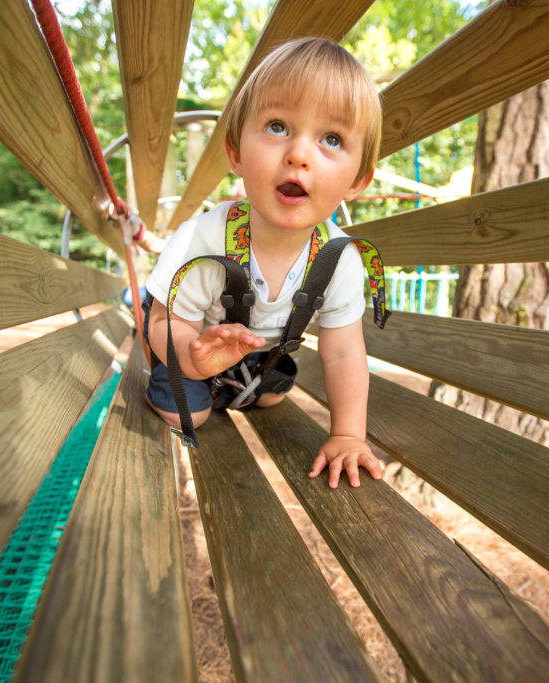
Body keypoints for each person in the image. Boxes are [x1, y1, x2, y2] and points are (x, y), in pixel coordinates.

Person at [142, 37, 383, 489]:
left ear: (358, 180)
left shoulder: (339, 260)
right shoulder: (205, 237)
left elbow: (345, 351)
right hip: (191, 337)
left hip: (255, 356)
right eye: (277, 126)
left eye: (331, 139)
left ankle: (233, 384)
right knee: (186, 410)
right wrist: (193, 362)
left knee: (272, 398)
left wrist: (348, 433)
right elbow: (165, 319)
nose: (298, 154)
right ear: (235, 153)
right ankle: (198, 382)